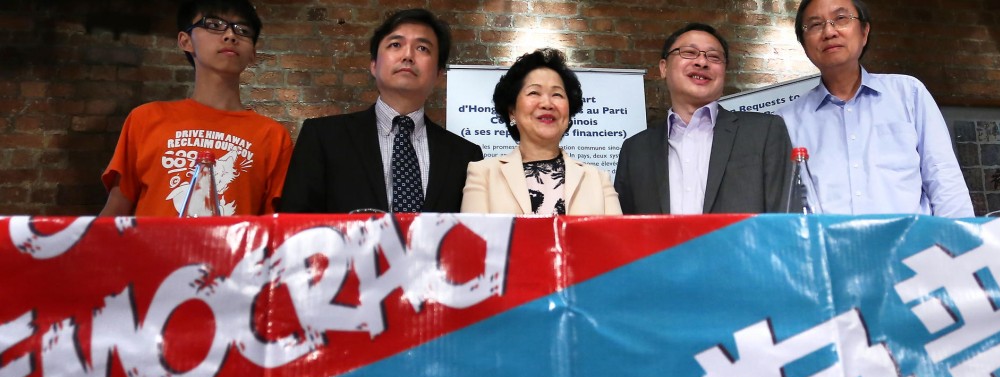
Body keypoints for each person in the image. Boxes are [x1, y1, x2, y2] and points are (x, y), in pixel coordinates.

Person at [778, 0, 974, 217]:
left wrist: (958, 245)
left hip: (913, 248)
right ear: (804, 44)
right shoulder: (786, 121)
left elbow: (945, 180)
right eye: (815, 25)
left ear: (864, 32)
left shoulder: (908, 94)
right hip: (828, 249)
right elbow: (785, 205)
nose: (829, 31)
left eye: (841, 19)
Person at [100, 0, 293, 217]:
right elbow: (115, 212)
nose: (230, 35)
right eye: (213, 24)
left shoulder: (273, 137)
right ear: (185, 41)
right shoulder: (145, 119)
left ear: (253, 54)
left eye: (243, 30)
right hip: (153, 250)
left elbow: (273, 230)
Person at [280, 9, 483, 214]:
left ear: (439, 74)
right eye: (396, 45)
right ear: (374, 65)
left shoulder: (465, 156)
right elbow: (294, 228)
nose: (408, 55)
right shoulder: (323, 137)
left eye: (422, 48)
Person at [614, 23, 791, 215]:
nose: (701, 62)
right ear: (663, 68)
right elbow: (625, 232)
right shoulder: (635, 150)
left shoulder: (764, 132)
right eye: (689, 53)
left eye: (714, 57)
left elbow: (785, 215)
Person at [461, 49, 621, 215]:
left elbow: (616, 239)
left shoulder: (598, 179)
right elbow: (476, 239)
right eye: (534, 92)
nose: (547, 103)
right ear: (512, 111)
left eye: (557, 94)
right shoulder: (483, 174)